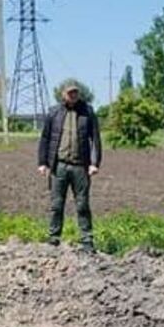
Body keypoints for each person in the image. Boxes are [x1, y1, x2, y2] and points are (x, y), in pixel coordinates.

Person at [37, 81, 102, 251]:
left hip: (81, 167)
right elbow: (45, 138)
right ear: (63, 94)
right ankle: (53, 239)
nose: (73, 95)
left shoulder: (88, 111)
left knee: (82, 205)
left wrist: (94, 163)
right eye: (70, 93)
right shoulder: (54, 112)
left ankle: (87, 241)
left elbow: (95, 139)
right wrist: (43, 163)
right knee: (56, 205)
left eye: (75, 93)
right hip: (59, 166)